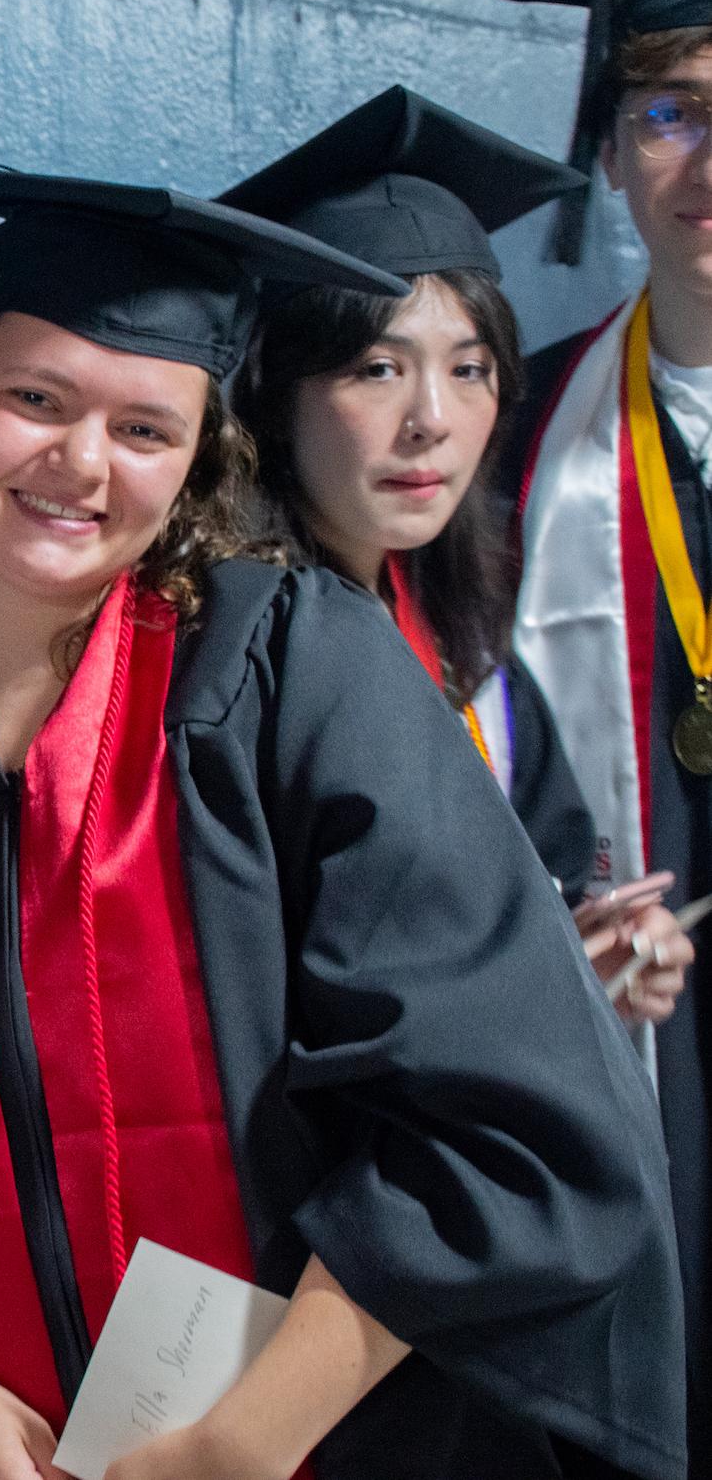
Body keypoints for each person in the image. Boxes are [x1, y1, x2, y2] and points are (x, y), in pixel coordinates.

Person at [0, 160, 684, 1480]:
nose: (81, 463)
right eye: (35, 400)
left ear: (196, 461)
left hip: (322, 1449)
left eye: (144, 427)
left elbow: (501, 1120)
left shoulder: (290, 678)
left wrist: (242, 1437)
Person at [225, 85, 693, 1021]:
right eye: (378, 369)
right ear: (281, 395)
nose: (432, 422)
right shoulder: (229, 672)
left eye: (469, 369)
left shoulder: (462, 636)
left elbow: (552, 861)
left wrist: (601, 939)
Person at [506, 0, 712, 1466]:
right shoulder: (524, 439)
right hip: (661, 1035)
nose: (706, 161)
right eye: (671, 112)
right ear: (611, 144)